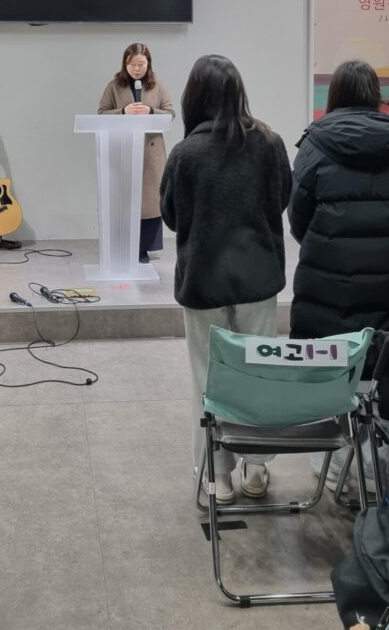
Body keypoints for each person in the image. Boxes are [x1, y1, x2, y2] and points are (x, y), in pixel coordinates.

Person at [160, 55, 292, 504]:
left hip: (203, 282)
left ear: (194, 96)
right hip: (258, 278)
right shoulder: (269, 143)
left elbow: (171, 216)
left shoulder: (185, 154)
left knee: (207, 376)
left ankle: (217, 476)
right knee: (259, 371)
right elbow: (282, 198)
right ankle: (257, 467)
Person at [289, 59, 389, 491]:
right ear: (374, 96)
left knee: (334, 366)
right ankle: (376, 463)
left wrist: (325, 242)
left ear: (334, 96)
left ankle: (334, 465)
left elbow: (297, 216)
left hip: (327, 282)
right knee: (381, 365)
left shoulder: (315, 143)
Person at [98, 42, 174, 263]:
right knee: (124, 200)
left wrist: (150, 110)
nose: (137, 69)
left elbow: (170, 114)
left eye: (141, 64)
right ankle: (122, 244)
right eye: (132, 64)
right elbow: (101, 113)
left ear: (148, 64)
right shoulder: (114, 86)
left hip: (150, 150)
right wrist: (123, 111)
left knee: (149, 202)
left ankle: (144, 248)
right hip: (123, 149)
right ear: (125, 64)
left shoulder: (157, 85)